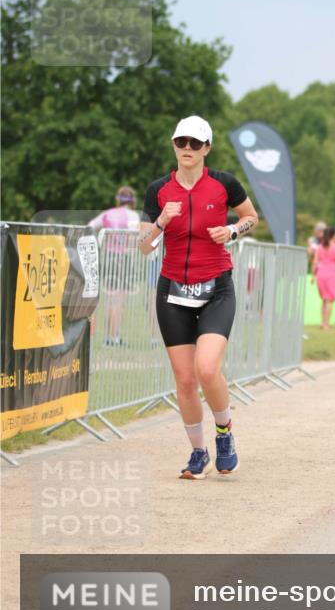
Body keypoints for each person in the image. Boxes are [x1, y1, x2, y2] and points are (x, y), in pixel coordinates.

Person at [138, 115, 258, 480]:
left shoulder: (224, 184)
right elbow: (144, 247)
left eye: (194, 143)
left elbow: (251, 216)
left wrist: (234, 230)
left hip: (216, 288)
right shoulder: (159, 190)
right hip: (173, 290)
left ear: (207, 148)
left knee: (207, 369)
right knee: (186, 379)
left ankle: (224, 434)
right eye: (181, 142)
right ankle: (197, 452)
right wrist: (160, 221)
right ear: (174, 145)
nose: (187, 149)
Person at [88, 186, 141, 346]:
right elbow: (134, 239)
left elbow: (90, 226)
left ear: (118, 199)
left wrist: (100, 243)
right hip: (123, 258)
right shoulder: (133, 215)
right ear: (132, 200)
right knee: (120, 300)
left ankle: (106, 337)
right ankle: (115, 337)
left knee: (110, 299)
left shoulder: (108, 214)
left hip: (109, 257)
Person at [312, 225, 335, 330]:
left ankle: (323, 323)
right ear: (334, 235)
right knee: (329, 300)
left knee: (324, 300)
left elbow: (315, 262)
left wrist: (313, 275)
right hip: (332, 274)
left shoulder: (319, 247)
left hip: (320, 274)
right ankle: (326, 324)